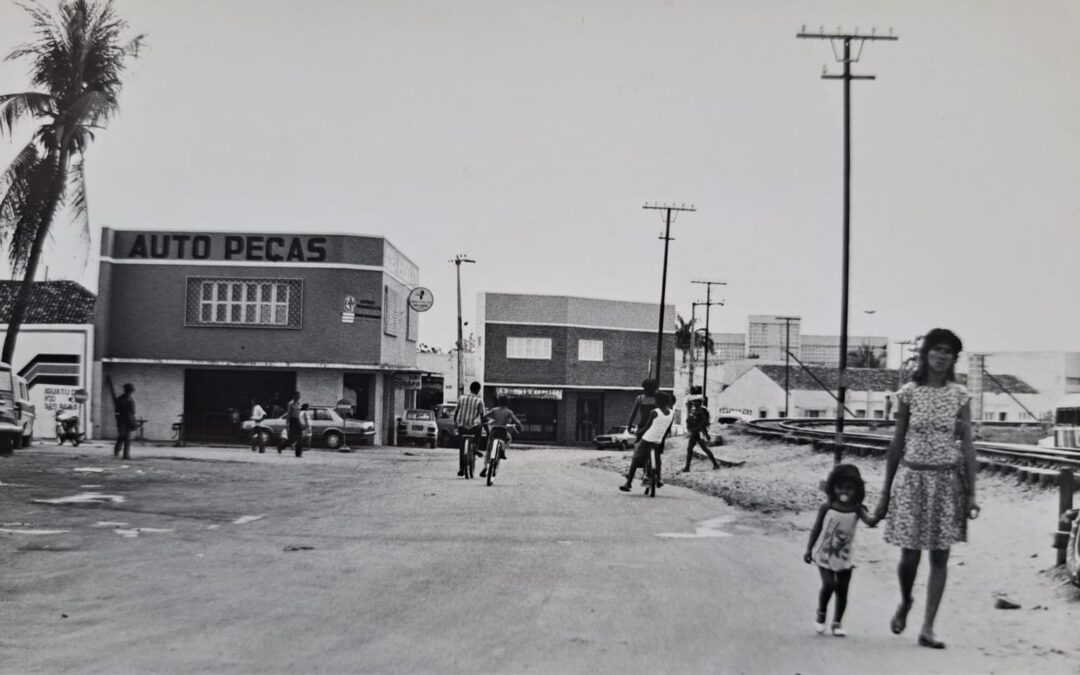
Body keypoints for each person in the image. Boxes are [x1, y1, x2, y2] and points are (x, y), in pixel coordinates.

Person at [873, 328, 980, 650]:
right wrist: (885, 492)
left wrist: (972, 493)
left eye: (949, 351)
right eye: (937, 349)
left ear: (953, 358)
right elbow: (896, 443)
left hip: (947, 482)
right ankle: (906, 600)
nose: (942, 355)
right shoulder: (908, 393)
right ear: (926, 354)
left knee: (940, 557)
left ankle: (928, 626)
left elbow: (968, 446)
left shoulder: (960, 396)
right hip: (912, 479)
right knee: (909, 556)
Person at [804, 464, 877, 637]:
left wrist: (880, 513)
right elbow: (816, 528)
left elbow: (870, 522)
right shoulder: (827, 507)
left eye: (850, 488)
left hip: (845, 556)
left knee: (842, 589)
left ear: (857, 490)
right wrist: (809, 549)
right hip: (825, 553)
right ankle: (821, 613)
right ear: (832, 487)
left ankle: (837, 622)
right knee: (829, 584)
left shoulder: (857, 509)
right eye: (840, 487)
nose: (844, 492)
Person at [619, 391, 674, 492]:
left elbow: (647, 427)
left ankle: (628, 483)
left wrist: (637, 433)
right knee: (657, 459)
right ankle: (658, 478)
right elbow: (668, 429)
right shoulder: (671, 413)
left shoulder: (654, 412)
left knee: (635, 459)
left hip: (647, 439)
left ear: (657, 401)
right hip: (658, 440)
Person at [480, 395, 522, 478]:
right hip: (502, 432)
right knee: (509, 438)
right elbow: (517, 421)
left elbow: (484, 417)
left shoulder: (494, 410)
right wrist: (519, 427)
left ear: (499, 402)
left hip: (494, 431)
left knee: (488, 450)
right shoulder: (508, 412)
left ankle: (485, 467)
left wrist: (487, 421)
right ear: (507, 403)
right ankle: (502, 449)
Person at [454, 381, 486, 477]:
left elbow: (456, 412)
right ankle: (476, 448)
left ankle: (461, 469)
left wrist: (455, 422)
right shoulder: (479, 400)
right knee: (479, 426)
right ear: (478, 390)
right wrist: (487, 428)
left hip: (461, 426)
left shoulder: (461, 398)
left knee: (462, 446)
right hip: (473, 427)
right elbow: (482, 416)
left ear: (470, 389)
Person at [682, 395, 720, 472]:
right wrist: (689, 427)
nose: (694, 403)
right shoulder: (693, 410)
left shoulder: (702, 410)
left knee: (704, 448)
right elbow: (689, 419)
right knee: (689, 449)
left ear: (700, 402)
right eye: (694, 401)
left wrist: (698, 429)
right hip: (694, 433)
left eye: (696, 401)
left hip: (699, 433)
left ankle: (715, 464)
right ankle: (687, 467)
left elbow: (704, 422)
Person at [113, 383, 137, 460]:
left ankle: (123, 453)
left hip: (125, 420)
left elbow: (132, 412)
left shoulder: (122, 399)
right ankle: (121, 451)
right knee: (124, 437)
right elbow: (132, 412)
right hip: (124, 420)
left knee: (125, 437)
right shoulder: (126, 399)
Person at [277, 391, 304, 457]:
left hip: (297, 421)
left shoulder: (298, 403)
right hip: (292, 421)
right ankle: (280, 446)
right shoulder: (290, 404)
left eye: (299, 396)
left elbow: (299, 414)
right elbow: (288, 414)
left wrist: (301, 422)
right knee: (292, 438)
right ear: (294, 396)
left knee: (300, 437)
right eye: (297, 396)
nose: (298, 397)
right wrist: (287, 424)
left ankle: (298, 453)